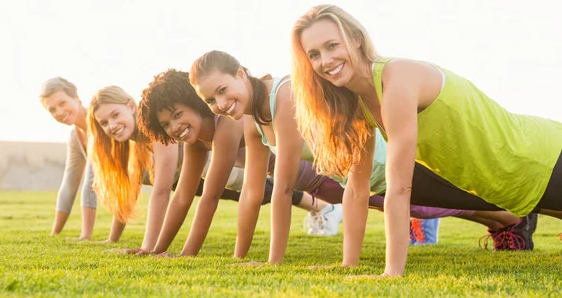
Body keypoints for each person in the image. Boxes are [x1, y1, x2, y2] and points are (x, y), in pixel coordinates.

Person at [290, 4, 562, 276]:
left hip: (541, 159)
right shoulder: (359, 105)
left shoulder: (397, 78)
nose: (325, 61)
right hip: (510, 186)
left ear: (356, 39)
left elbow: (399, 189)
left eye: (332, 46)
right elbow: (356, 191)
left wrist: (392, 272)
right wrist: (348, 264)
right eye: (314, 54)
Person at [190, 52, 530, 265]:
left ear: (240, 73)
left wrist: (273, 262)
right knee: (456, 201)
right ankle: (517, 219)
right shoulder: (252, 119)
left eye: (222, 90)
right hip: (365, 178)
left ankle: (525, 212)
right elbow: (252, 193)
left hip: (390, 161)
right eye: (210, 101)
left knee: (482, 189)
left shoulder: (284, 96)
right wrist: (239, 258)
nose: (220, 104)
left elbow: (281, 189)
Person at [136, 70, 343, 258]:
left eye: (178, 115)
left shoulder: (227, 124)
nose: (175, 127)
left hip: (323, 173)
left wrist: (186, 255)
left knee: (371, 196)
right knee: (365, 198)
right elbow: (182, 197)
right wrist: (156, 250)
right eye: (165, 124)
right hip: (309, 183)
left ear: (195, 103)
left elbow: (210, 196)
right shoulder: (197, 142)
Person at [39, 77, 97, 240]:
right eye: (52, 109)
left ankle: (86, 235)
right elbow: (70, 182)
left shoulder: (100, 121)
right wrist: (55, 233)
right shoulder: (75, 136)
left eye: (62, 103)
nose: (59, 112)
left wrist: (85, 236)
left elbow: (91, 182)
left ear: (76, 98)